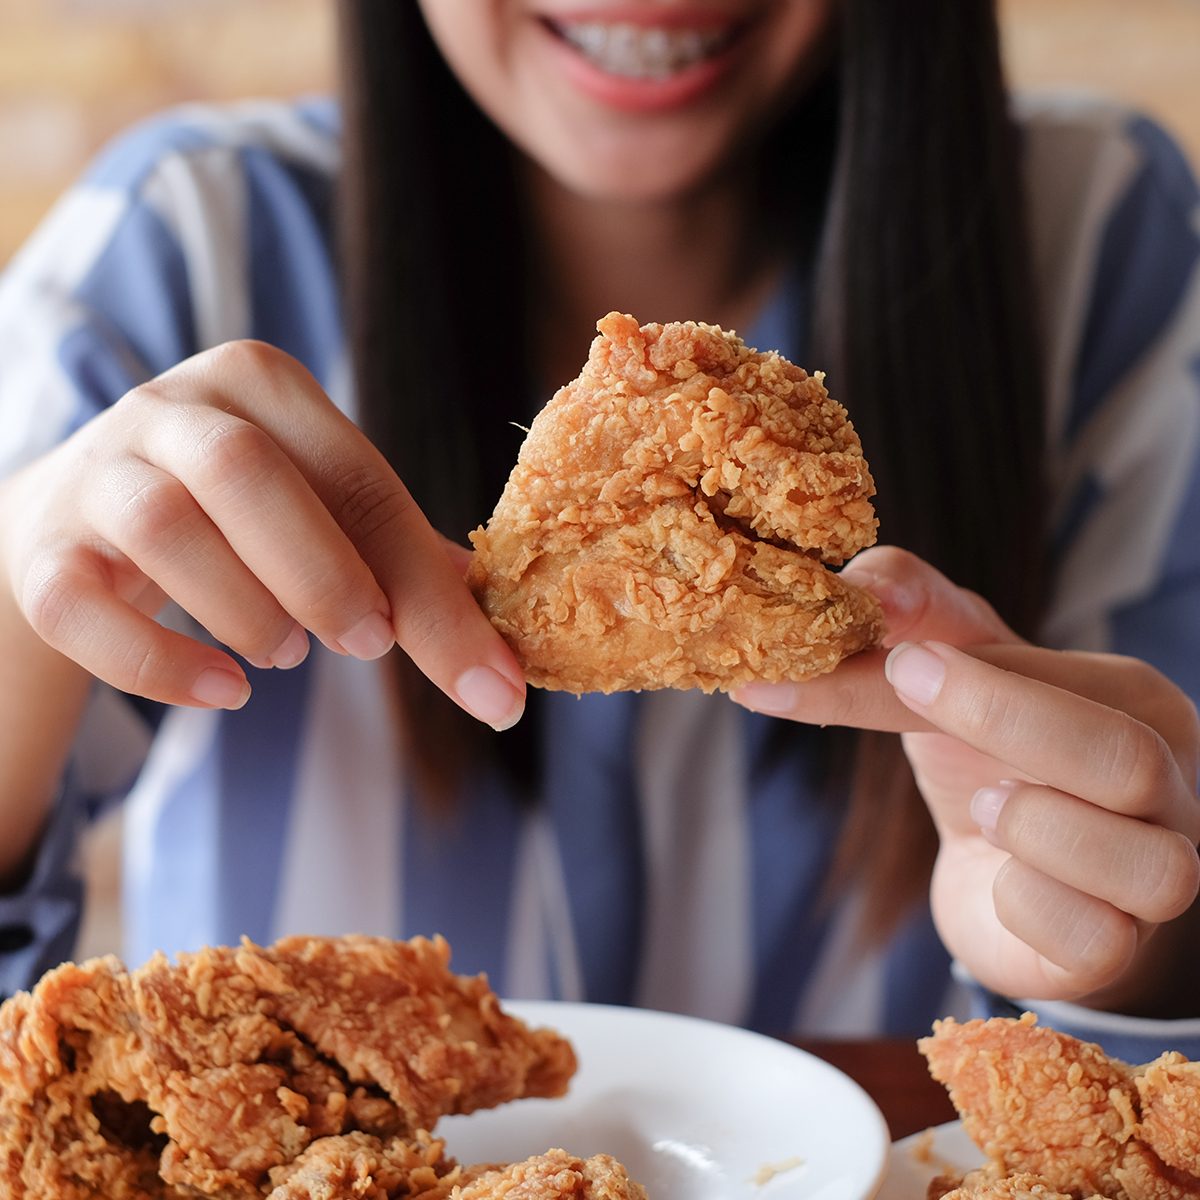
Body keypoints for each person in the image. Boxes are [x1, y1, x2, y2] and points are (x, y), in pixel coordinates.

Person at [0, 1, 1197, 1061]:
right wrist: (18, 617)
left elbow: (1155, 942)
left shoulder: (1104, 242)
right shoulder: (183, 240)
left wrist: (1133, 948)